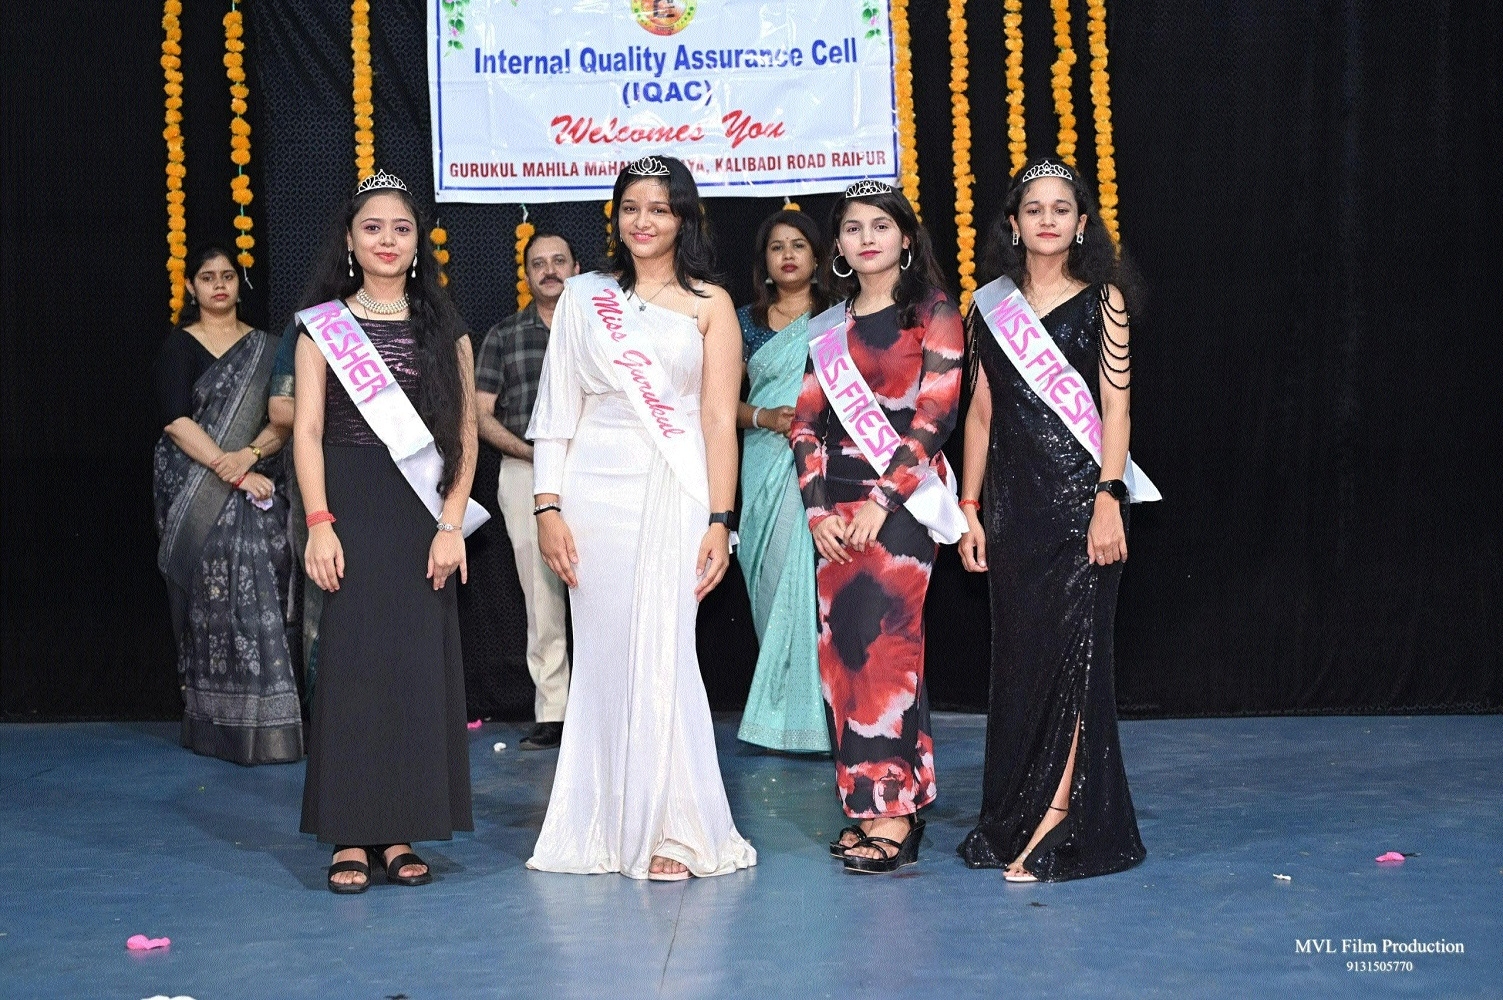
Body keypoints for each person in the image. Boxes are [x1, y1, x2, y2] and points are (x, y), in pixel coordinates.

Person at [525, 155, 756, 881]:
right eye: (631, 207)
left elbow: (719, 417)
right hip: (592, 490)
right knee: (603, 659)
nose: (643, 221)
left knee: (665, 649)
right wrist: (547, 505)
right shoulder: (584, 296)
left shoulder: (711, 303)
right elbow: (557, 410)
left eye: (659, 208)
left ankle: (676, 827)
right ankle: (599, 824)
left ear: (683, 218)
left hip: (676, 482)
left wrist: (721, 516)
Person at [955, 156, 1148, 882]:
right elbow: (979, 413)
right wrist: (968, 508)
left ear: (1079, 222)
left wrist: (1108, 496)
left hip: (1079, 507)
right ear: (1011, 223)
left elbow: (1116, 409)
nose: (1045, 218)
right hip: (1011, 510)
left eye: (1059, 207)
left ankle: (1061, 817)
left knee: (1076, 662)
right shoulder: (987, 306)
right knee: (1023, 666)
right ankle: (1018, 810)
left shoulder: (1104, 302)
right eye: (1031, 208)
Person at [293, 170, 480, 893]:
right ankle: (349, 831)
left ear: (416, 241)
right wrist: (318, 523)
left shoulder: (446, 327)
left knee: (411, 671)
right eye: (373, 227)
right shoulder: (322, 326)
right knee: (350, 670)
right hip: (348, 504)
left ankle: (399, 827)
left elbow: (463, 432)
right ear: (350, 239)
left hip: (421, 513)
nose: (387, 240)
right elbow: (305, 433)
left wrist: (450, 523)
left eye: (401, 228)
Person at [791, 180, 964, 873]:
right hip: (832, 508)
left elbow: (936, 414)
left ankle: (894, 813)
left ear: (904, 238)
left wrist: (879, 502)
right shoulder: (827, 326)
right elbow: (805, 420)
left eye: (879, 226)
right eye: (852, 228)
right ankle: (868, 804)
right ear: (837, 246)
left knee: (885, 648)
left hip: (899, 505)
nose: (866, 238)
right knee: (841, 658)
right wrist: (815, 509)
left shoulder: (934, 313)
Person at [153, 245, 302, 766]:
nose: (219, 285)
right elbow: (175, 420)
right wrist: (228, 468)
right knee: (211, 602)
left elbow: (285, 419)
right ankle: (216, 725)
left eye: (228, 276)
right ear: (191, 288)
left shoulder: (268, 347)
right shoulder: (180, 347)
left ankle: (275, 721)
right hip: (196, 489)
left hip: (257, 477)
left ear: (240, 284)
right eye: (207, 277)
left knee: (271, 581)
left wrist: (249, 456)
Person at [474, 230, 580, 751]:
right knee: (541, 592)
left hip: (598, 472)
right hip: (525, 472)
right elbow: (479, 415)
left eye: (559, 261)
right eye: (539, 263)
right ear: (527, 274)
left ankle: (612, 709)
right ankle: (554, 711)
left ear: (577, 268)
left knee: (607, 587)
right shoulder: (504, 334)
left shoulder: (601, 330)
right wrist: (532, 453)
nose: (550, 270)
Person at [733, 209, 832, 754]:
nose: (789, 254)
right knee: (771, 580)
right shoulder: (745, 322)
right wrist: (764, 418)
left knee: (819, 588)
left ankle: (824, 717)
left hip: (824, 467)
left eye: (799, 244)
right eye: (777, 247)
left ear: (818, 257)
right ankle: (782, 719)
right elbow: (717, 402)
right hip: (764, 463)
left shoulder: (839, 317)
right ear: (765, 261)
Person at [268, 322, 320, 706]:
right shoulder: (315, 326)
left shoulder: (420, 320)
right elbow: (281, 407)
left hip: (404, 478)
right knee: (324, 588)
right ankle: (326, 714)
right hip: (324, 475)